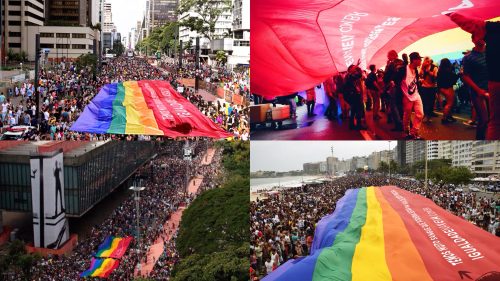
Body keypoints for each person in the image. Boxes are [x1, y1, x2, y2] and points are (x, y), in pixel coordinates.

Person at [449, 13, 499, 139]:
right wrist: (479, 90)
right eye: (478, 36)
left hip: (489, 89)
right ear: (474, 39)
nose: (481, 38)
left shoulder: (487, 51)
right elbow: (466, 77)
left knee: (493, 120)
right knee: (484, 120)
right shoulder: (468, 57)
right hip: (477, 92)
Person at [394, 52, 424, 140]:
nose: (420, 61)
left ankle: (414, 133)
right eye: (419, 59)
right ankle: (406, 133)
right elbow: (396, 79)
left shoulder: (416, 70)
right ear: (414, 60)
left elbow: (414, 81)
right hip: (406, 96)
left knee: (420, 114)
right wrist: (401, 90)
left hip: (416, 94)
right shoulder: (404, 69)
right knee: (407, 115)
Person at [384, 50, 404, 131]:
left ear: (392, 55)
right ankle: (404, 121)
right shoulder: (403, 62)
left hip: (394, 85)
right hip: (402, 86)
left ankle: (398, 124)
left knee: (393, 105)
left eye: (388, 55)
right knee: (400, 104)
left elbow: (386, 76)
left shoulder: (391, 64)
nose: (387, 57)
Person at [436, 58, 462, 124]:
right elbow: (454, 77)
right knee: (450, 102)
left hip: (443, 88)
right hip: (447, 88)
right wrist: (460, 74)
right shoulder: (447, 71)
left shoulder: (440, 70)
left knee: (453, 101)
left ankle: (449, 116)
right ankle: (444, 118)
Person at [344, 64, 366, 130]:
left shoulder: (348, 75)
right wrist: (358, 68)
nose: (355, 69)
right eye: (354, 68)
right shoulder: (350, 74)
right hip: (354, 95)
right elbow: (359, 75)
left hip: (352, 94)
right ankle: (359, 125)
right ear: (350, 69)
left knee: (353, 110)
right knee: (359, 109)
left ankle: (351, 125)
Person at [419, 57, 438, 121]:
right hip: (424, 86)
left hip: (432, 87)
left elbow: (436, 77)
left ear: (430, 61)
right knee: (424, 101)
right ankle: (424, 113)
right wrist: (422, 67)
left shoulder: (434, 67)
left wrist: (431, 73)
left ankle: (429, 116)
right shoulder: (423, 67)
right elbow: (420, 74)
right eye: (425, 61)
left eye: (428, 61)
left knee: (431, 102)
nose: (427, 62)